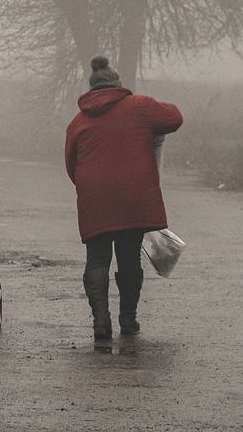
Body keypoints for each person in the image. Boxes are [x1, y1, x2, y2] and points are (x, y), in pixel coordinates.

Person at [64, 56, 182, 340]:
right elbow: (175, 117)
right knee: (129, 258)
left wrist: (91, 187)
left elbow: (71, 164)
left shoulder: (78, 122)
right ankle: (128, 320)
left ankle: (100, 323)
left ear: (91, 88)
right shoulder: (140, 107)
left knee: (97, 260)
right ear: (118, 84)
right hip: (133, 196)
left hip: (95, 196)